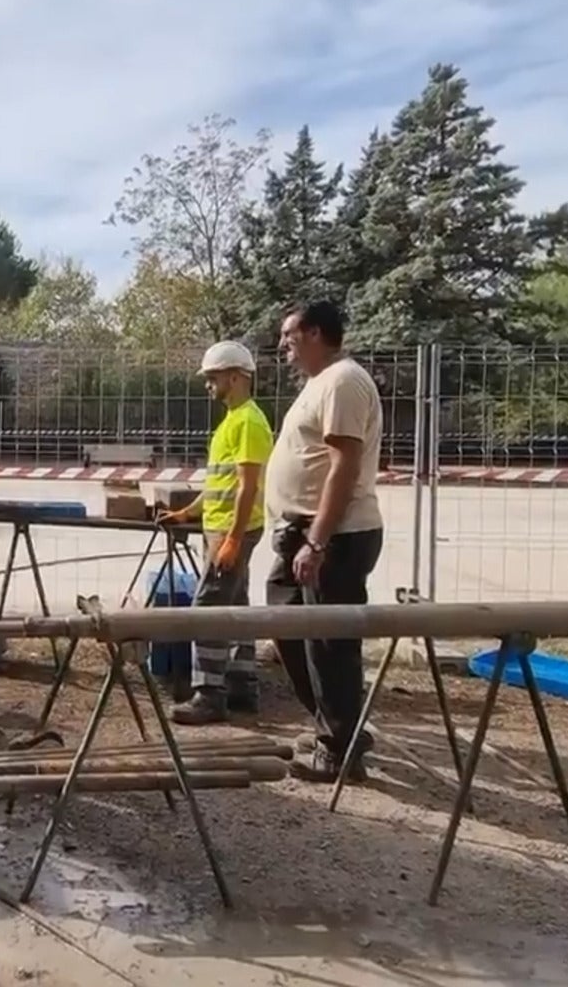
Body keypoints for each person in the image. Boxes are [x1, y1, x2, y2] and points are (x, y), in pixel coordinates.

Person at [264, 301, 385, 781]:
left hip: (335, 536)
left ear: (315, 333)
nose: (283, 345)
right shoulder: (321, 384)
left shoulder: (343, 381)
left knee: (329, 645)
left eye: (289, 335)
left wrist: (316, 542)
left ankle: (339, 750)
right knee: (287, 624)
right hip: (305, 533)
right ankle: (339, 727)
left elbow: (344, 464)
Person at [155, 339, 273, 725]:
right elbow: (218, 485)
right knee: (235, 609)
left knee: (207, 609)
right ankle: (242, 688)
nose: (208, 385)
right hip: (221, 530)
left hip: (231, 533)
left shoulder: (249, 422)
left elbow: (247, 486)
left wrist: (234, 539)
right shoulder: (232, 421)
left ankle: (209, 694)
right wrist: (186, 514)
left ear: (236, 377)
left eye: (213, 378)